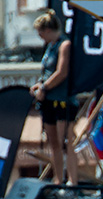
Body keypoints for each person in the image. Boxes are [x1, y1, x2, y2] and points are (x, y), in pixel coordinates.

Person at [30, 11, 75, 185]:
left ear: (48, 30)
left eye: (40, 32)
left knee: (66, 142)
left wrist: (45, 87)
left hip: (62, 99)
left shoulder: (64, 45)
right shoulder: (49, 46)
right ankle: (58, 179)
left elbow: (61, 72)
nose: (39, 36)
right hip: (48, 100)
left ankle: (72, 180)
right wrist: (39, 85)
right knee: (54, 142)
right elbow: (47, 71)